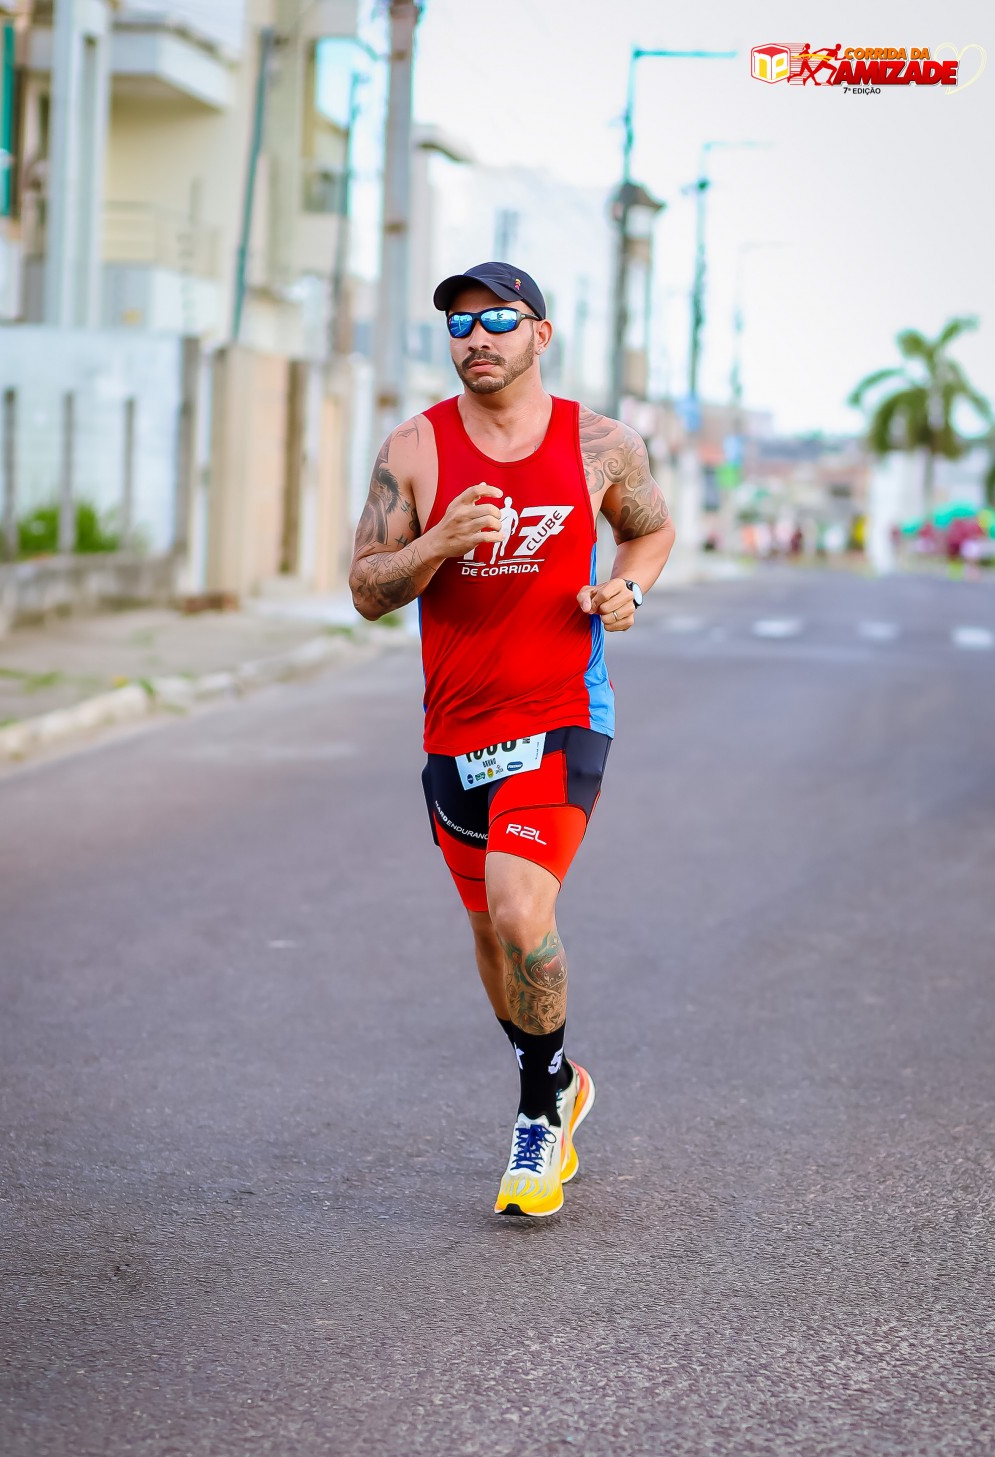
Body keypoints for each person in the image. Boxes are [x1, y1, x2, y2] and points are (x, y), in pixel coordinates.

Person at [349, 262, 675, 1217]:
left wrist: (629, 587)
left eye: (497, 318)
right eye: (459, 323)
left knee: (522, 911)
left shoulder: (600, 442)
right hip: (456, 729)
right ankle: (561, 1076)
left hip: (563, 714)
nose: (476, 337)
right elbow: (365, 589)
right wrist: (436, 542)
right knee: (493, 938)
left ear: (540, 333)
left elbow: (650, 531)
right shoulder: (415, 447)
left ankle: (538, 1116)